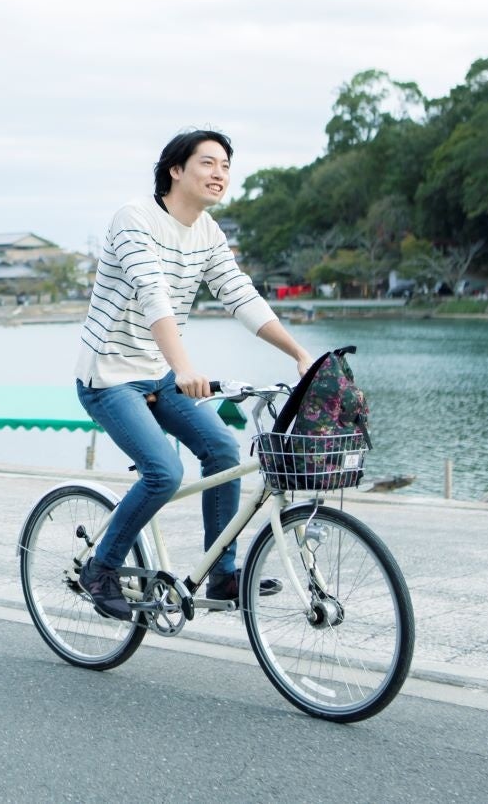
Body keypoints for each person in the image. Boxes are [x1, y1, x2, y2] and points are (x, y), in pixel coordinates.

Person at [74, 129, 313, 617]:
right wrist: (184, 368)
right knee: (164, 472)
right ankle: (101, 569)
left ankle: (222, 574)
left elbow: (240, 295)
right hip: (111, 374)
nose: (220, 173)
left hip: (160, 373)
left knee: (223, 449)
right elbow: (152, 294)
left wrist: (298, 353)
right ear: (175, 170)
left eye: (225, 165)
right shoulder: (134, 219)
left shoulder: (207, 232)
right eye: (207, 163)